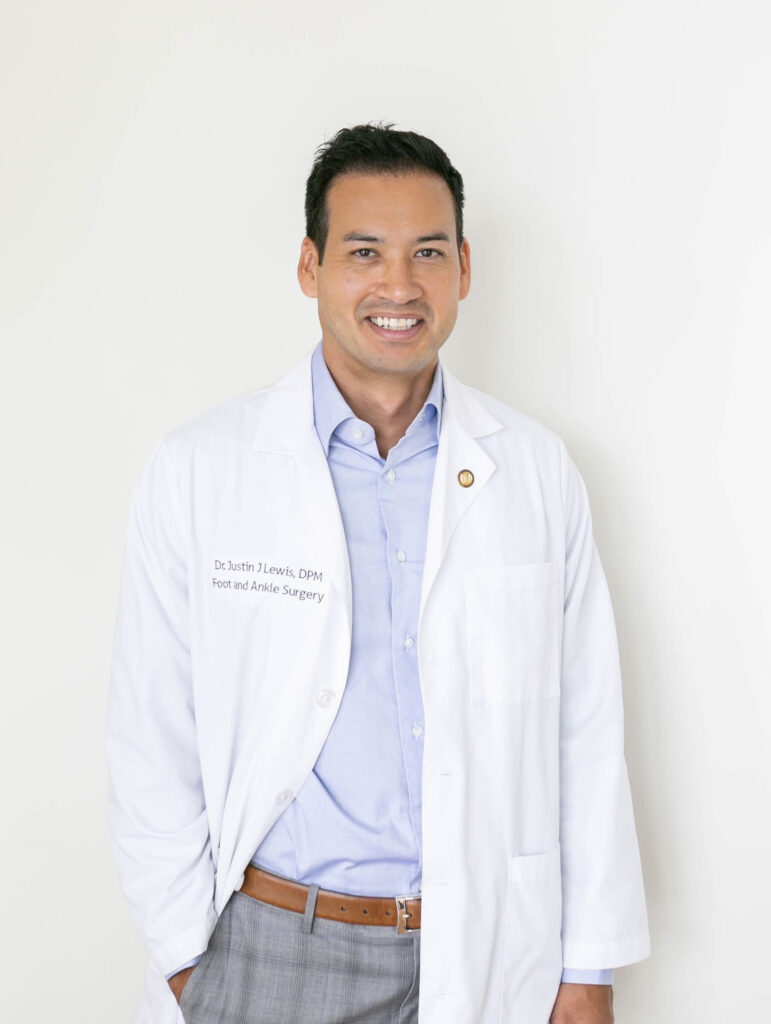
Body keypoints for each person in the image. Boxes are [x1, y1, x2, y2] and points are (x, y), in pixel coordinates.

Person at [107, 123, 650, 1024]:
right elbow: (149, 733)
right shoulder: (201, 468)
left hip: (485, 947)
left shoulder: (537, 470)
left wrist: (586, 970)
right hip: (274, 946)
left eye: (426, 253)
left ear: (464, 270)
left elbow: (584, 734)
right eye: (365, 252)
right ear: (310, 267)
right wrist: (185, 961)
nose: (399, 286)